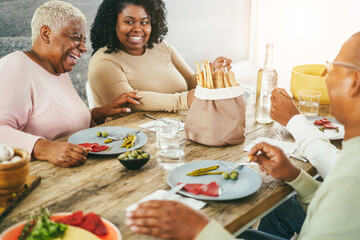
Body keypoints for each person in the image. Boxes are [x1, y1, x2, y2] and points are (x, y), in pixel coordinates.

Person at [126, 32, 360, 239]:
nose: (327, 77)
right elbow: (333, 207)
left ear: (354, 82)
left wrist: (199, 230)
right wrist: (295, 175)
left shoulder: (352, 178)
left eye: (332, 68)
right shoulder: (350, 164)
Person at [0, 0, 141, 168]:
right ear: (46, 34)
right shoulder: (16, 67)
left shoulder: (58, 71)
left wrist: (98, 114)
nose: (83, 48)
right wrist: (45, 149)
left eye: (83, 41)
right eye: (76, 38)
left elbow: (63, 123)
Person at [88, 0, 231, 112]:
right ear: (113, 23)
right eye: (129, 22)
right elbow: (130, 102)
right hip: (132, 141)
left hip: (177, 128)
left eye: (144, 22)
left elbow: (189, 82)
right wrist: (182, 100)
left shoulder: (161, 46)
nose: (138, 29)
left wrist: (211, 72)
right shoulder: (104, 61)